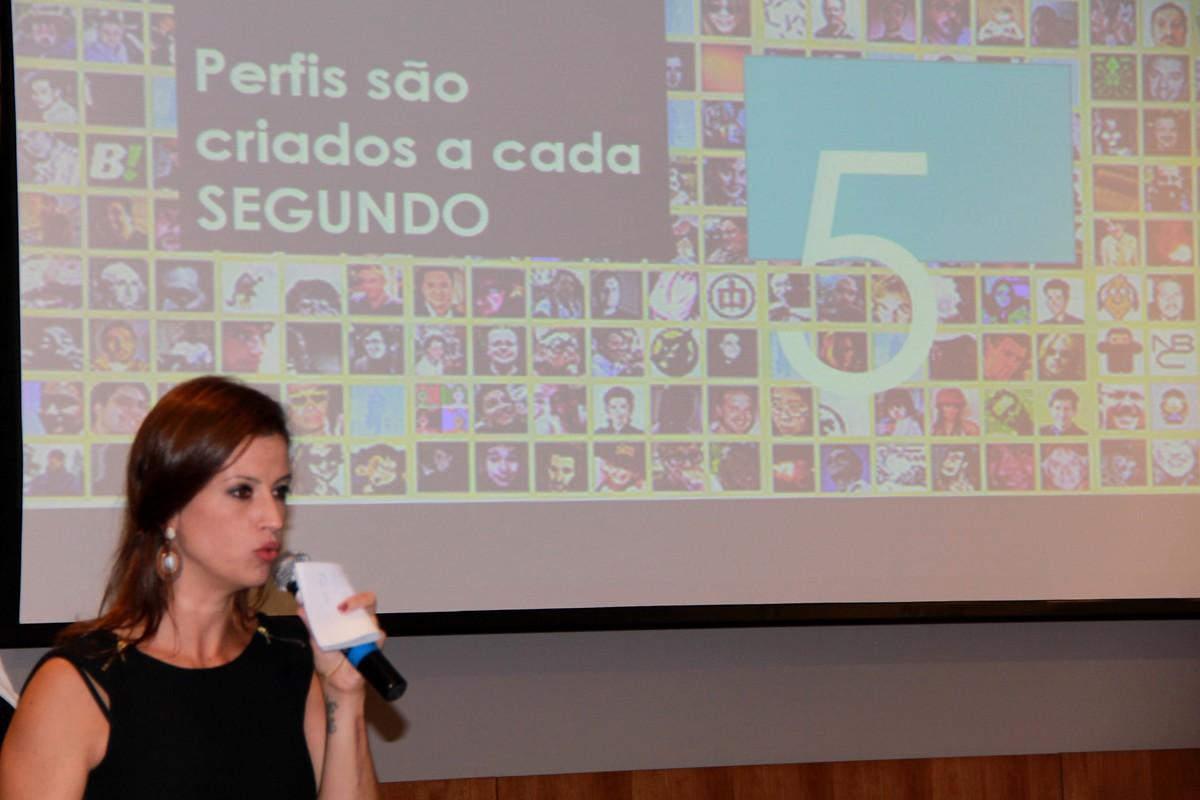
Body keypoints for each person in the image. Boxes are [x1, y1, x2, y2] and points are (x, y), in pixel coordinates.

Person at [0, 377, 381, 798]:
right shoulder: (78, 684)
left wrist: (345, 695)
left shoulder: (291, 659)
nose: (273, 517)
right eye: (242, 491)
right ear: (169, 509)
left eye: (279, 491)